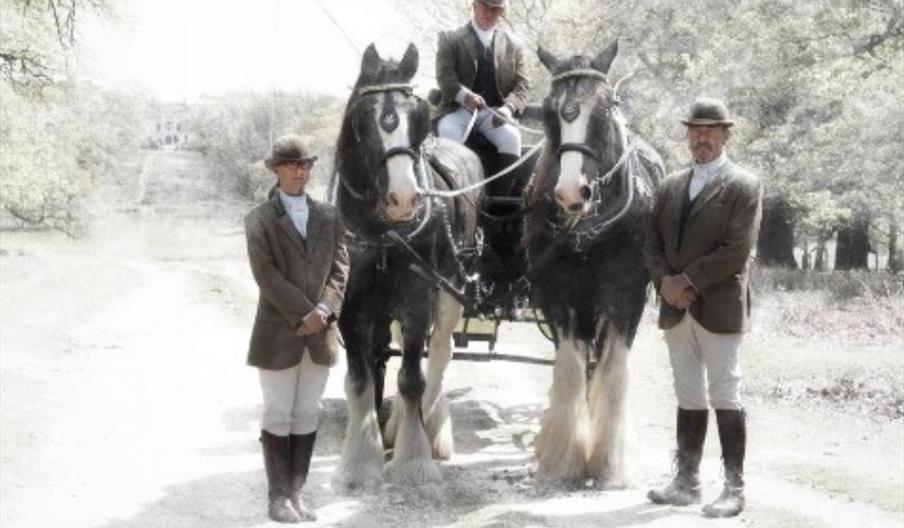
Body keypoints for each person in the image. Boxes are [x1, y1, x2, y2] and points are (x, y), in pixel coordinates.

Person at [643, 98, 763, 518]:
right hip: (676, 308)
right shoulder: (671, 185)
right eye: (695, 131)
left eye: (710, 131)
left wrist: (686, 280)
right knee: (688, 393)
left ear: (726, 135)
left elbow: (736, 251)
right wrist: (665, 283)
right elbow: (651, 243)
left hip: (720, 306)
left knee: (725, 392)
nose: (702, 138)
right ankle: (686, 482)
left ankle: (734, 488)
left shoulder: (744, 186)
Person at [244, 135, 349, 523]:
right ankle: (278, 497)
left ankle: (298, 493)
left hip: (320, 333)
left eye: (304, 164)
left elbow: (341, 267)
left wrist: (325, 309)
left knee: (308, 411)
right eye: (290, 164)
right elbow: (266, 275)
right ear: (276, 169)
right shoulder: (258, 220)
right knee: (277, 412)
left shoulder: (329, 215)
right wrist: (305, 313)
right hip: (278, 333)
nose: (298, 171)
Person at [435, 0, 529, 175]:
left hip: (494, 113)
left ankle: (503, 198)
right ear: (474, 6)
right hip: (458, 110)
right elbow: (445, 77)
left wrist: (508, 109)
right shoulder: (449, 38)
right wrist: (465, 97)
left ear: (501, 13)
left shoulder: (514, 45)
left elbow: (522, 85)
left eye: (496, 9)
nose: (489, 13)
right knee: (448, 131)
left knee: (512, 138)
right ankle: (454, 197)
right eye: (485, 6)